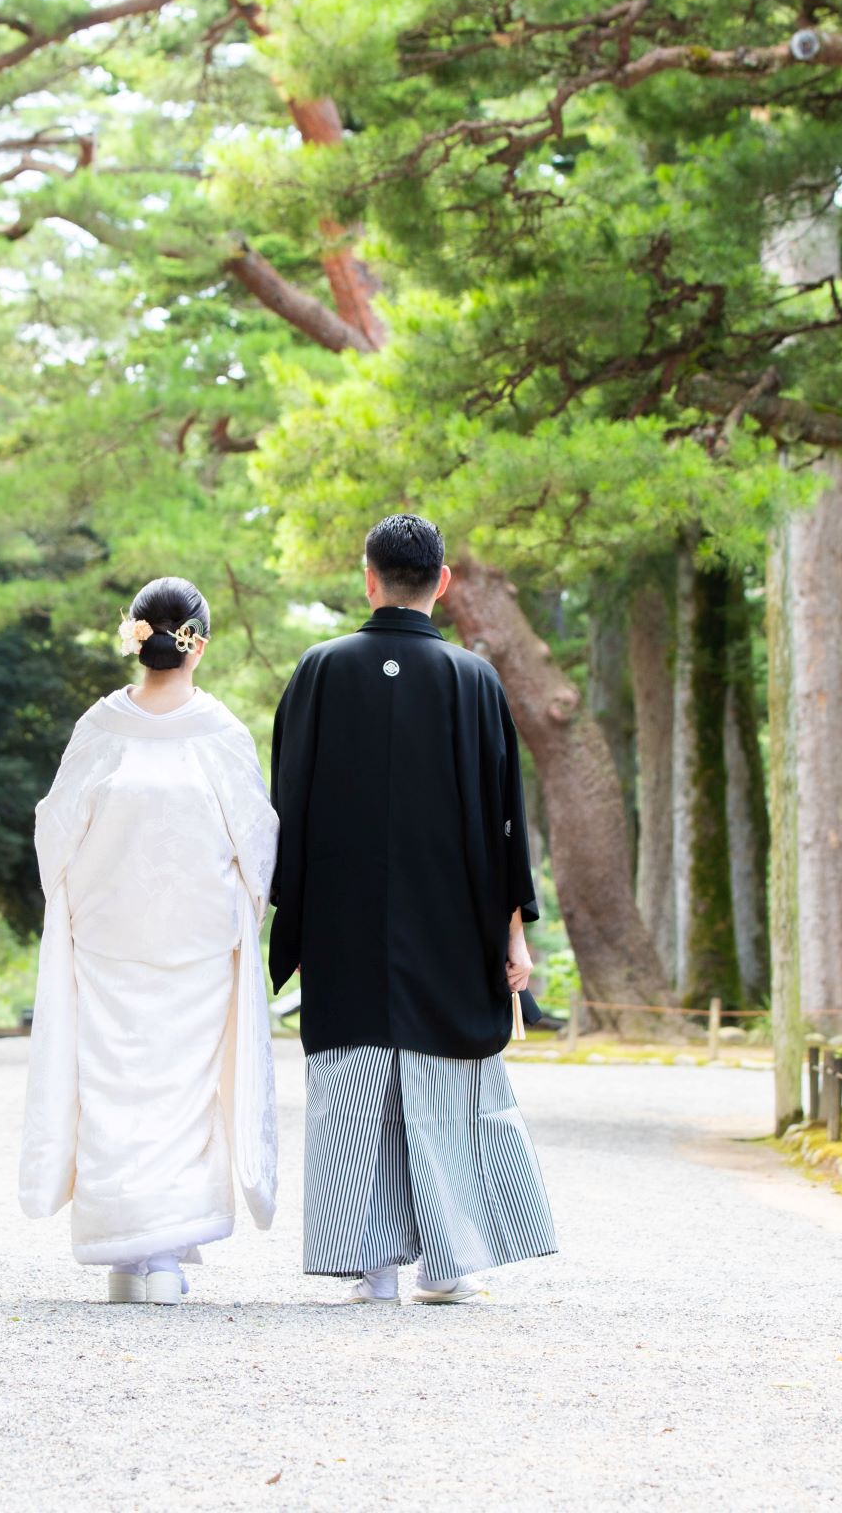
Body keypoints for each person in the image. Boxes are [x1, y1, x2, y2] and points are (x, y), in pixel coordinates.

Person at [269, 514, 558, 1305]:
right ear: (443, 583)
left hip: (343, 921)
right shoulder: (474, 680)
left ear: (369, 579)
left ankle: (371, 1269)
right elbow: (505, 823)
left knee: (355, 1084)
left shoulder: (320, 670)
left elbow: (286, 806)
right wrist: (514, 934)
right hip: (451, 924)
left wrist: (291, 915)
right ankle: (448, 1261)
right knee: (448, 1081)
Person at [18, 577, 279, 1305]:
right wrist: (247, 910)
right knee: (182, 1091)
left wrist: (75, 900)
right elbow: (257, 840)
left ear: (135, 638)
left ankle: (124, 1257)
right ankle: (161, 1257)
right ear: (200, 644)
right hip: (197, 938)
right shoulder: (220, 732)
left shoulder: (101, 728)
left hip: (108, 934)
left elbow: (56, 829)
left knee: (112, 1083)